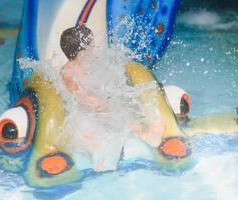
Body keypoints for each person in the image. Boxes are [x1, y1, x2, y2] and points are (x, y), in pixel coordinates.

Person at [59, 26, 165, 171]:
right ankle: (143, 137)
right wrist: (91, 100)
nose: (94, 49)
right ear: (83, 51)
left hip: (98, 109)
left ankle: (143, 133)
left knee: (123, 113)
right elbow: (75, 93)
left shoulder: (89, 66)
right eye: (91, 46)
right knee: (109, 126)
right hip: (85, 113)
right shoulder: (68, 70)